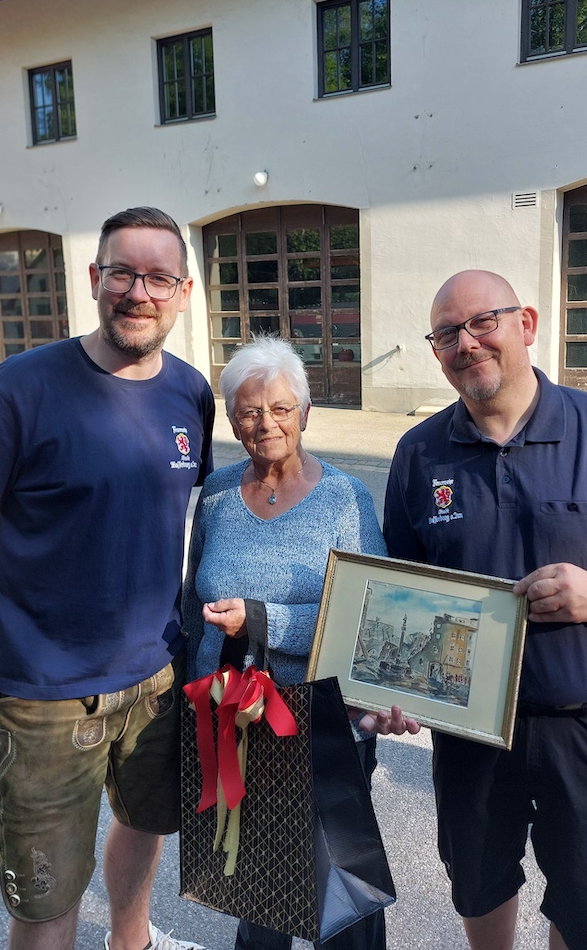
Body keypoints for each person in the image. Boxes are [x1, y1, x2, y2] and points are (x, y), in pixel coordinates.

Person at [383, 269, 587, 950]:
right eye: (446, 334)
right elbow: (400, 590)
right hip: (470, 729)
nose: (466, 343)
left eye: (483, 322)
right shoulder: (419, 454)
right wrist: (395, 690)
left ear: (526, 324)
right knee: (477, 879)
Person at [0, 207, 215, 950]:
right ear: (94, 278)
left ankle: (131, 940)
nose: (139, 292)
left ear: (184, 292)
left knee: (145, 823)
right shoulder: (21, 388)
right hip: (42, 692)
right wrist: (21, 615)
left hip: (156, 675)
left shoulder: (191, 392)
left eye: (159, 278)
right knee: (48, 898)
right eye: (122, 272)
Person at [181, 334, 417, 950]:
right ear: (232, 420)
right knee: (257, 887)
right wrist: (189, 698)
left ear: (306, 413)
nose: (267, 424)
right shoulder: (218, 495)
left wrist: (263, 621)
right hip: (235, 721)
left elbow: (371, 618)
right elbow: (192, 602)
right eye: (250, 412)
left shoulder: (344, 498)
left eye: (281, 408)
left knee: (341, 896)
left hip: (325, 723)